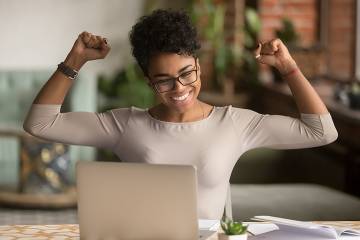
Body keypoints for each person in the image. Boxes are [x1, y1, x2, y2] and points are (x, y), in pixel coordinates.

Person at [23, 9, 338, 219]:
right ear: (149, 81)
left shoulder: (236, 123)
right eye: (163, 80)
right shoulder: (125, 125)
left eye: (187, 73)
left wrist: (288, 67)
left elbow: (322, 132)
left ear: (199, 66)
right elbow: (40, 123)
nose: (179, 88)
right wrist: (74, 60)